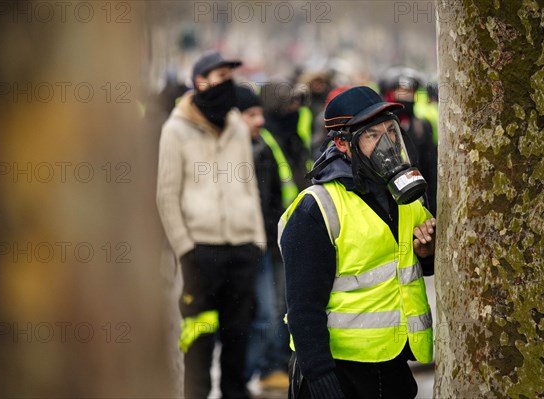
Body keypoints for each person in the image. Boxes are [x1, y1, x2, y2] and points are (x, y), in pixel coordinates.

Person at [279, 86, 437, 399]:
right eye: (372, 135)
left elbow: (407, 269)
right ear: (342, 143)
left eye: (390, 131)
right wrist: (323, 382)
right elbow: (303, 310)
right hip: (339, 371)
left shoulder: (405, 196)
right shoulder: (317, 208)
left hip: (394, 365)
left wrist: (426, 254)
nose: (387, 143)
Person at [156, 50, 266, 399]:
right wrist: (186, 250)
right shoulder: (175, 130)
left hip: (242, 249)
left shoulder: (236, 127)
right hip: (200, 253)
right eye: (220, 77)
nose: (227, 84)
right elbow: (166, 195)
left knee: (238, 334)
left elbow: (249, 185)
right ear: (201, 82)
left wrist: (257, 240)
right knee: (200, 337)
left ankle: (236, 393)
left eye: (230, 76)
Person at [235, 85, 290, 391]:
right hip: (244, 250)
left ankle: (256, 372)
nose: (259, 120)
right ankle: (241, 377)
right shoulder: (229, 154)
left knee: (272, 313)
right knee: (258, 316)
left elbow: (272, 200)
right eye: (251, 114)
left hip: (269, 246)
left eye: (259, 113)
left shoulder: (263, 148)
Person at [379, 67, 438, 215]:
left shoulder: (422, 125)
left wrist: (432, 206)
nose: (407, 97)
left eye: (411, 92)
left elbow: (430, 167)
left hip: (418, 197)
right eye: (401, 91)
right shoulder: (378, 128)